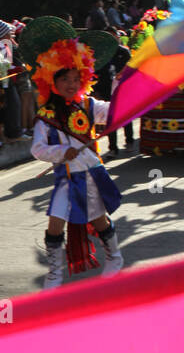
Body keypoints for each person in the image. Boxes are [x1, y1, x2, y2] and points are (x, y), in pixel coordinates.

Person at [19, 17, 124, 289]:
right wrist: (61, 151)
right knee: (56, 223)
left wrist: (130, 96)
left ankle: (115, 256)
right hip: (65, 179)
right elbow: (37, 149)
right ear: (51, 78)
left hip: (91, 174)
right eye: (64, 78)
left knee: (98, 219)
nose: (71, 83)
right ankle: (55, 272)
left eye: (76, 78)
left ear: (84, 78)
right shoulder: (46, 116)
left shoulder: (90, 105)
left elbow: (114, 112)